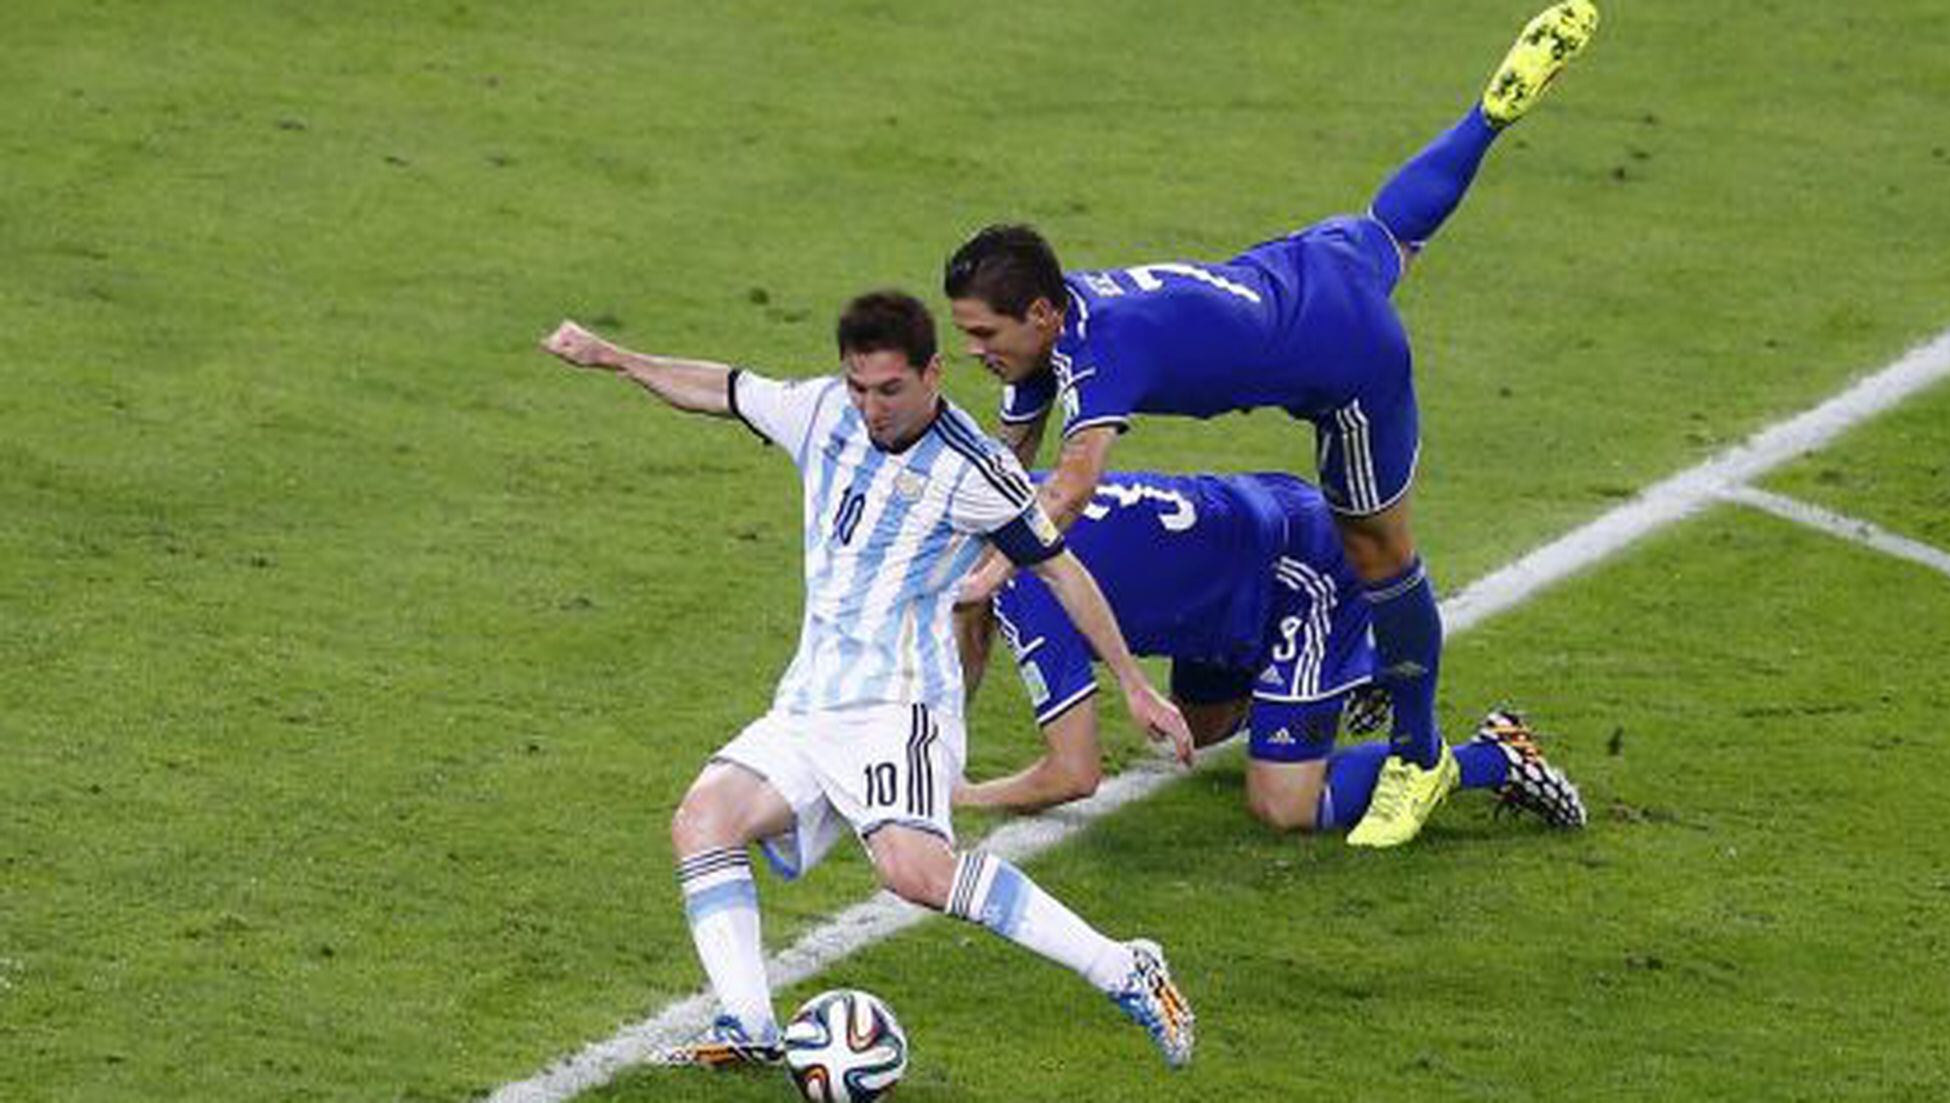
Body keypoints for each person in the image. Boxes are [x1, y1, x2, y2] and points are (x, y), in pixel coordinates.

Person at [941, 2, 1600, 848]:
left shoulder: (1097, 351)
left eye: (984, 335)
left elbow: (1069, 486)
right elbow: (1006, 466)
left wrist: (983, 576)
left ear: (1038, 313)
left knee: (1381, 556)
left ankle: (1428, 753)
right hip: (1299, 270)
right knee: (1395, 230)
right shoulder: (1052, 334)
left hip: (1346, 363)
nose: (974, 351)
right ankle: (1487, 117)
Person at [537, 291, 1197, 1070]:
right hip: (809, 700)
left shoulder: (975, 468)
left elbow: (1063, 570)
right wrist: (616, 358)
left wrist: (1133, 683)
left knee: (913, 870)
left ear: (932, 373)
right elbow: (725, 387)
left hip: (899, 705)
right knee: (703, 819)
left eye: (889, 389)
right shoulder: (823, 411)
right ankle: (747, 1024)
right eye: (859, 385)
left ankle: (1124, 965)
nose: (871, 406)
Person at [954, 469, 1587, 834]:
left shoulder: (1019, 587)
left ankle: (1493, 756)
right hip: (1226, 578)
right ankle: (1341, 675)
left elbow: (1074, 774)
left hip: (1304, 566)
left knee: (1284, 807)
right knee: (1199, 729)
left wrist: (960, 797)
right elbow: (963, 648)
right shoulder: (1016, 504)